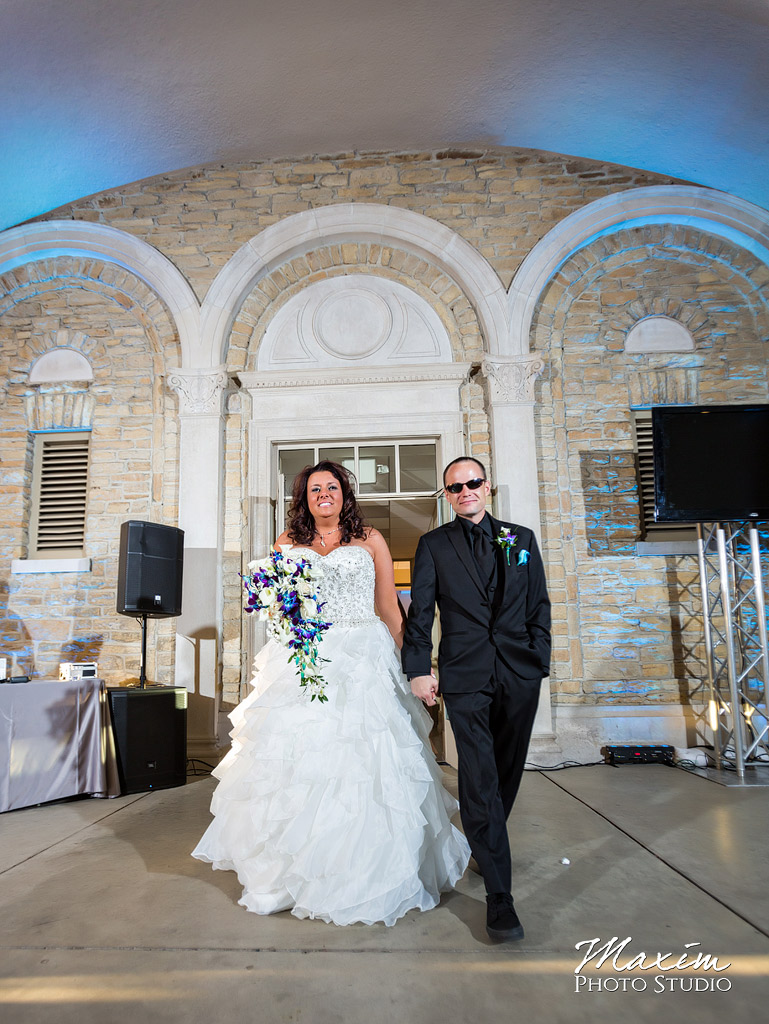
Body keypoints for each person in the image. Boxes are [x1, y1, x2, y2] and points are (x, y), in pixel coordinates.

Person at [193, 460, 470, 926]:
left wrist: (415, 668)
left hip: (364, 656)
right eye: (315, 488)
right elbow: (280, 610)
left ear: (345, 493)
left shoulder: (371, 540)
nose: (325, 493)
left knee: (365, 763)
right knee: (300, 763)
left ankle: (365, 873)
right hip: (306, 658)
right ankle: (292, 873)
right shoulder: (286, 544)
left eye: (333, 486)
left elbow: (388, 608)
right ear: (304, 497)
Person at [402, 456, 551, 942]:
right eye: (454, 487)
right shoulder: (434, 545)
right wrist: (419, 670)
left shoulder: (520, 539)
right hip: (464, 676)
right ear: (447, 495)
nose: (464, 491)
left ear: (486, 487)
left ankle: (485, 845)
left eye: (472, 483)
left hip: (518, 672)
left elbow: (538, 605)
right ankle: (500, 901)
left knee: (507, 768)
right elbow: (421, 613)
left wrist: (538, 660)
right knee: (480, 775)